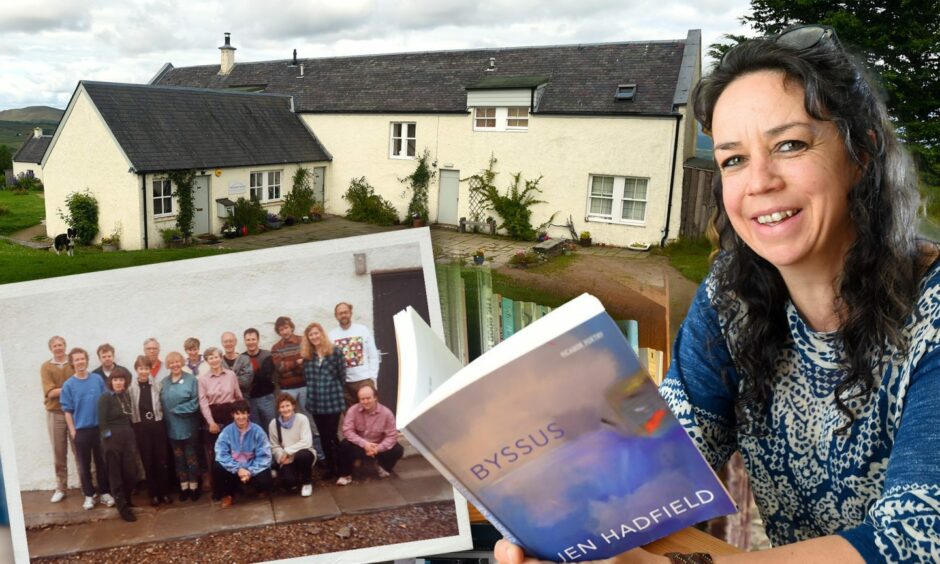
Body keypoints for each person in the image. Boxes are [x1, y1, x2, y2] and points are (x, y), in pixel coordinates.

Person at [496, 25, 940, 564]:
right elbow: (667, 462)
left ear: (861, 154)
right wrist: (559, 521)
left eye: (790, 145)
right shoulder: (732, 297)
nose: (759, 182)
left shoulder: (931, 312)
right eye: (733, 159)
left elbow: (917, 541)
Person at [60, 348, 115, 510]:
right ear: (72, 363)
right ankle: (89, 495)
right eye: (76, 360)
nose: (80, 362)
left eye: (82, 359)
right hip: (81, 431)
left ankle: (105, 492)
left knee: (101, 462)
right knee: (84, 465)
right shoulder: (69, 385)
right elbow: (67, 411)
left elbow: (106, 401)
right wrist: (73, 431)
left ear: (87, 360)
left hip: (99, 429)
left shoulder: (97, 379)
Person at [302, 322, 346, 480]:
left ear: (322, 333)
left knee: (332, 436)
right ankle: (330, 469)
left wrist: (333, 389)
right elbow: (308, 378)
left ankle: (342, 469)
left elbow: (342, 376)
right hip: (316, 403)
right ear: (308, 338)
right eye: (311, 335)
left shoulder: (336, 352)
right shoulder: (308, 356)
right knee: (323, 436)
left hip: (332, 401)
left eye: (316, 333)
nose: (314, 337)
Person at [336, 383, 403, 486]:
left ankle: (383, 466)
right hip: (360, 445)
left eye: (368, 398)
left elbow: (392, 435)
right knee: (344, 446)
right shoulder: (353, 411)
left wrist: (378, 448)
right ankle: (346, 474)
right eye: (362, 399)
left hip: (378, 446)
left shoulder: (387, 413)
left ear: (375, 397)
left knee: (398, 449)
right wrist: (365, 444)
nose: (365, 401)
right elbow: (347, 431)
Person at [96, 366, 139, 522]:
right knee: (116, 475)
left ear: (125, 382)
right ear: (111, 381)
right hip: (112, 439)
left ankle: (127, 500)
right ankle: (122, 507)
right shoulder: (105, 397)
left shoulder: (126, 396)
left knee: (130, 472)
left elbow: (129, 418)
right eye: (115, 380)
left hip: (127, 437)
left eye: (121, 380)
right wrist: (108, 441)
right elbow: (102, 421)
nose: (118, 383)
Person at [199, 346, 243, 493]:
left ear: (221, 357)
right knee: (217, 454)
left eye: (216, 356)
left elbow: (238, 396)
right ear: (206, 361)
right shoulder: (203, 380)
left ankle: (237, 486)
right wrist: (211, 422)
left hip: (230, 415)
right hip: (214, 418)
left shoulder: (231, 375)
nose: (214, 360)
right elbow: (203, 403)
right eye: (210, 357)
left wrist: (242, 416)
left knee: (235, 450)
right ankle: (221, 489)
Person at [160, 349, 203, 502]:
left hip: (188, 426)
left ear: (182, 362)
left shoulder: (191, 380)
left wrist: (178, 409)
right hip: (171, 427)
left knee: (191, 457)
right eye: (171, 363)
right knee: (178, 458)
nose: (175, 365)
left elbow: (195, 402)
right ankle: (184, 487)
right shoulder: (164, 382)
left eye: (177, 362)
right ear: (168, 365)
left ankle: (194, 487)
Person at [212, 400, 273, 508]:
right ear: (233, 415)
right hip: (234, 468)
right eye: (237, 414)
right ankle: (228, 495)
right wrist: (238, 469)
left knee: (265, 480)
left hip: (252, 468)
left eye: (243, 413)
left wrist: (250, 471)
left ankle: (259, 489)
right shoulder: (226, 431)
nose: (241, 417)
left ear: (248, 414)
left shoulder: (258, 430)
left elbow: (265, 455)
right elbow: (220, 453)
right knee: (218, 466)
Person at [129, 355, 172, 506]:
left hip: (157, 425)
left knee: (161, 460)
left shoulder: (157, 385)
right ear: (136, 369)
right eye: (141, 368)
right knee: (148, 461)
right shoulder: (131, 387)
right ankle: (153, 494)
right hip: (141, 427)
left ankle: (164, 493)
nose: (143, 371)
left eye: (146, 368)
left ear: (150, 369)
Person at [40, 336, 78, 503]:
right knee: (59, 452)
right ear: (51, 348)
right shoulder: (46, 367)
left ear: (65, 346)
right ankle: (61, 488)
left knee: (80, 451)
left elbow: (80, 384)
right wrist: (71, 388)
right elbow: (50, 393)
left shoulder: (73, 362)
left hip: (75, 413)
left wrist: (62, 389)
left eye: (60, 345)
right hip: (56, 413)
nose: (58, 348)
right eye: (55, 346)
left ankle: (87, 487)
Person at [329, 302, 381, 407]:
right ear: (336, 316)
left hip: (364, 380)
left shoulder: (362, 330)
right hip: (345, 383)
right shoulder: (332, 335)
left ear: (351, 313)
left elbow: (373, 355)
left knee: (371, 411)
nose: (343, 315)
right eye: (340, 313)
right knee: (351, 414)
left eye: (345, 312)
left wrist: (372, 377)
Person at [268, 392, 317, 496]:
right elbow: (274, 445)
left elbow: (306, 442)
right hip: (287, 459)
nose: (285, 409)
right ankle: (294, 477)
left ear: (293, 406)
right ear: (278, 409)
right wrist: (281, 456)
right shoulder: (274, 424)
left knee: (303, 456)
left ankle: (307, 483)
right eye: (282, 407)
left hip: (303, 454)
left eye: (288, 406)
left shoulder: (302, 419)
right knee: (290, 483)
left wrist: (287, 451)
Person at [242, 328, 277, 428]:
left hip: (266, 398)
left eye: (253, 339)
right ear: (244, 341)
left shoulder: (267, 355)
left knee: (272, 426)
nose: (251, 342)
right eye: (248, 340)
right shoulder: (241, 358)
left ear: (258, 340)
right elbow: (241, 380)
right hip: (250, 400)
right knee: (255, 428)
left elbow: (266, 376)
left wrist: (249, 376)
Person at [221, 331, 253, 396]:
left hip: (243, 399)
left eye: (231, 341)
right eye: (226, 341)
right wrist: (238, 378)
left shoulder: (245, 359)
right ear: (222, 343)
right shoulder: (219, 362)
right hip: (225, 400)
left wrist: (225, 379)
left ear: (235, 342)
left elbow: (246, 382)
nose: (228, 344)